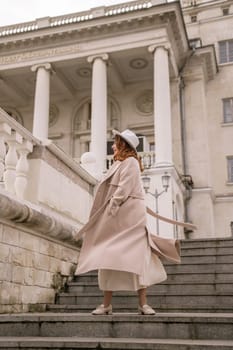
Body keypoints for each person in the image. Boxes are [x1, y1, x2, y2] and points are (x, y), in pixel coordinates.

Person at [74, 129, 181, 315]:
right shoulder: (118, 163)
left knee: (137, 258)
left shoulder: (130, 162)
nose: (113, 146)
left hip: (129, 216)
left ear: (123, 145)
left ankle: (143, 304)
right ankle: (107, 305)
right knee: (107, 257)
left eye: (116, 143)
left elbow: (123, 188)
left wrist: (112, 207)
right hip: (118, 216)